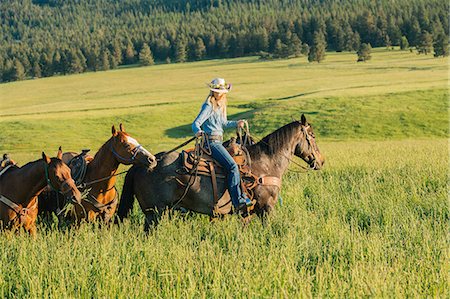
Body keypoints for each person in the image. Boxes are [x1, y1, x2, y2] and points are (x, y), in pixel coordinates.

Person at [192, 78, 253, 212]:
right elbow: (196, 123)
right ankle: (238, 202)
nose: (219, 93)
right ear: (213, 91)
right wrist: (198, 132)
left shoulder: (220, 106)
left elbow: (223, 123)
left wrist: (237, 123)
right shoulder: (208, 106)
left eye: (221, 91)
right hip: (211, 142)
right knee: (232, 166)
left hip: (218, 141)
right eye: (217, 91)